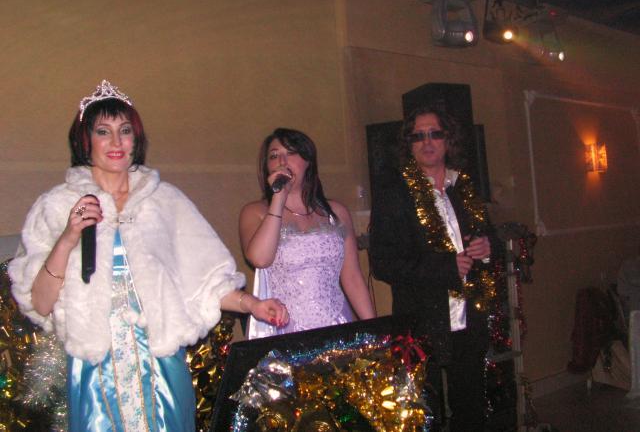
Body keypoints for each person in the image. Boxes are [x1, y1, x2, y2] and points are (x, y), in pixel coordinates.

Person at [8, 80, 288, 432]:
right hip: (95, 370)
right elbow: (40, 302)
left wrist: (253, 305)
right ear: (85, 141)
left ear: (135, 140)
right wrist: (68, 238)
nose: (116, 142)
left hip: (160, 363)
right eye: (103, 131)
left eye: (125, 131)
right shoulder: (57, 204)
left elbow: (207, 281)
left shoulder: (165, 201)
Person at [369, 105, 494, 432]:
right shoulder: (395, 194)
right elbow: (383, 263)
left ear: (448, 140)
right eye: (418, 136)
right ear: (408, 145)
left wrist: (486, 248)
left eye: (435, 134)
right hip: (422, 320)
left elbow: (487, 234)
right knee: (426, 415)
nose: (427, 142)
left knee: (472, 408)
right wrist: (444, 267)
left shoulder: (463, 187)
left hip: (470, 317)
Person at [239, 127, 376, 338]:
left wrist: (375, 330)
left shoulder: (336, 212)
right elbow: (260, 259)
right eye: (274, 156)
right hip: (285, 328)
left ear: (308, 161)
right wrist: (278, 198)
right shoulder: (255, 212)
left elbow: (352, 277)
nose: (282, 161)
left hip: (337, 322)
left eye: (291, 152)